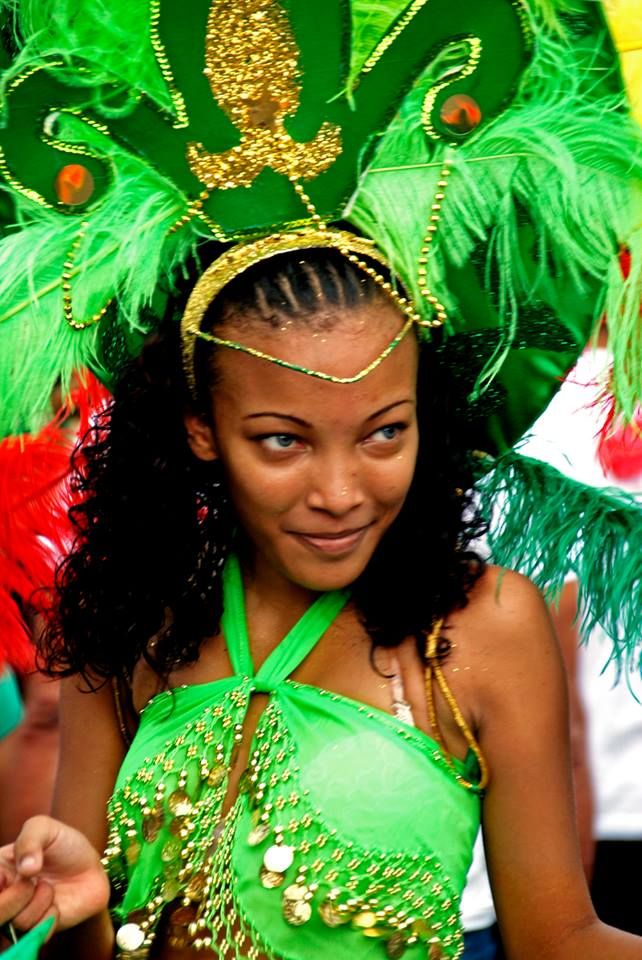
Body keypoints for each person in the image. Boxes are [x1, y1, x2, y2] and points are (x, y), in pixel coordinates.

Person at [0, 2, 642, 959]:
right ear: (201, 430)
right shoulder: (131, 618)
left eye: (384, 433)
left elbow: (559, 939)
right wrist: (79, 905)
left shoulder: (480, 628)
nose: (341, 490)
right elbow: (90, 948)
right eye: (282, 442)